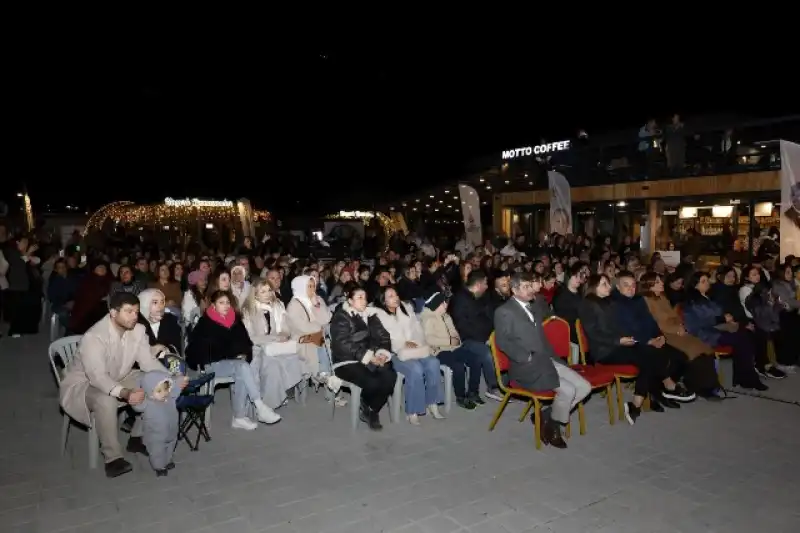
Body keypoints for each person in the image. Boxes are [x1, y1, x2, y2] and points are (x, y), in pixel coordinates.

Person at [59, 292, 184, 478]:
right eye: (129, 312)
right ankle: (113, 458)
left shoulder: (138, 330)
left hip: (119, 374)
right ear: (113, 313)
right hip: (83, 385)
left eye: (136, 311)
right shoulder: (95, 337)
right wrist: (125, 393)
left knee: (151, 382)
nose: (134, 316)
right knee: (106, 400)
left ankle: (137, 437)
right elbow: (98, 377)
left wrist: (170, 379)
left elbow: (147, 363)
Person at [494, 272, 591, 449]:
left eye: (531, 286)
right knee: (568, 390)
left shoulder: (534, 306)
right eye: (525, 287)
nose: (531, 290)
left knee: (585, 387)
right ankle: (553, 428)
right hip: (527, 367)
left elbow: (543, 337)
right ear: (514, 290)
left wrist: (555, 358)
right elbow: (502, 341)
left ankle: (548, 416)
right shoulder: (504, 311)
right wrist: (526, 356)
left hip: (546, 360)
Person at [185, 289, 281, 430]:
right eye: (221, 303)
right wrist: (231, 354)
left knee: (243, 369)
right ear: (213, 305)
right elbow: (200, 349)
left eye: (227, 303)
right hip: (212, 363)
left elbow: (246, 342)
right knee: (242, 368)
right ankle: (257, 408)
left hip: (234, 363)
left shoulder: (235, 320)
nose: (225, 306)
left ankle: (240, 417)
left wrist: (243, 353)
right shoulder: (205, 323)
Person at [329, 282, 397, 431]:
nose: (364, 301)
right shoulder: (341, 316)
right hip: (346, 361)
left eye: (365, 297)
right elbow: (342, 343)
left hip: (370, 357)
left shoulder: (371, 315)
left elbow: (384, 337)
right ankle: (370, 409)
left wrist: (382, 354)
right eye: (359, 297)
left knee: (390, 376)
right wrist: (368, 356)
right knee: (373, 382)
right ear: (350, 301)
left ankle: (371, 409)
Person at [373, 286, 444, 425]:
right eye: (391, 296)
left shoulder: (406, 309)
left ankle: (432, 403)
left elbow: (417, 328)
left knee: (433, 363)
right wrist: (403, 344)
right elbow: (383, 341)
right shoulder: (379, 316)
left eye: (396, 294)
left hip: (415, 348)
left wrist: (416, 342)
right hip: (394, 353)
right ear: (383, 300)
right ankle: (413, 410)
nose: (396, 298)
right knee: (416, 369)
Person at [420, 291, 482, 410]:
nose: (447, 305)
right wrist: (449, 341)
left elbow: (455, 333)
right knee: (458, 366)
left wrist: (457, 340)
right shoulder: (428, 318)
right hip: (438, 351)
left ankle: (473, 392)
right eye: (444, 303)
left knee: (476, 359)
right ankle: (461, 396)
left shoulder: (446, 316)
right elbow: (429, 339)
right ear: (438, 304)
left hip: (454, 348)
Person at [449, 270, 503, 402]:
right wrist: (484, 339)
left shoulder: (479, 298)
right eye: (485, 284)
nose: (486, 287)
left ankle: (505, 382)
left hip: (483, 336)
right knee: (486, 353)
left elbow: (487, 318)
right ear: (478, 284)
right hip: (466, 340)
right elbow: (462, 326)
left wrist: (491, 335)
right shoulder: (460, 299)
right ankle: (493, 387)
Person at [137, 289, 182, 356]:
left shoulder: (170, 320)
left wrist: (165, 349)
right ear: (144, 304)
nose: (160, 306)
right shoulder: (135, 324)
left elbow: (176, 347)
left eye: (162, 302)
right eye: (155, 302)